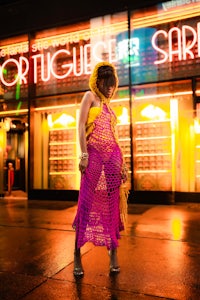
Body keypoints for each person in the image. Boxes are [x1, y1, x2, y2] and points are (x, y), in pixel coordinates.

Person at [72, 61, 128, 277]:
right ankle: (77, 254)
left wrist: (122, 164)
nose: (110, 88)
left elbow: (115, 137)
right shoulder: (90, 97)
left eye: (112, 84)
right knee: (85, 201)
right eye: (106, 83)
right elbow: (80, 126)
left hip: (113, 155)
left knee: (113, 204)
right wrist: (84, 155)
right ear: (98, 81)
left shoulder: (109, 106)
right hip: (93, 152)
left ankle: (113, 252)